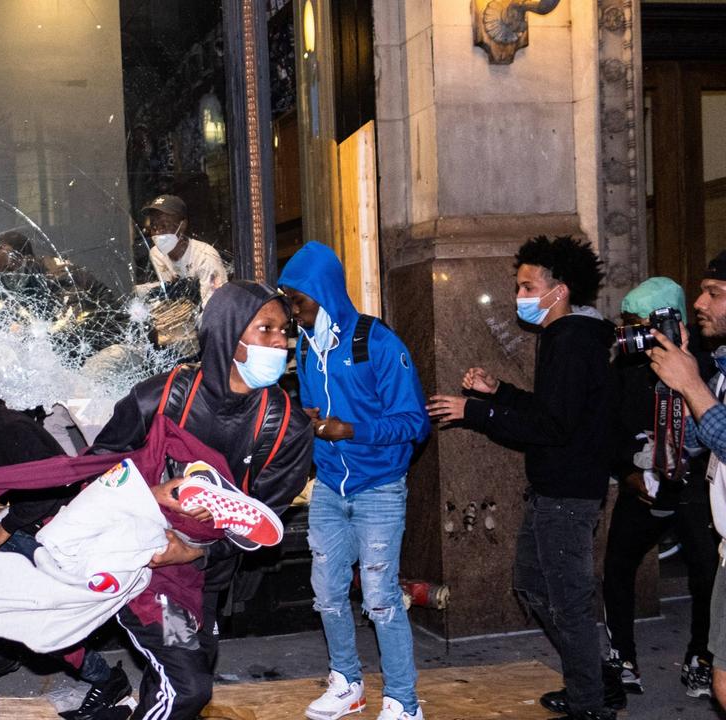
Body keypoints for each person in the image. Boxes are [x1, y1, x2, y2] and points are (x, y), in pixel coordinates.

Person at [86, 280, 314, 720]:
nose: (280, 342)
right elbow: (97, 467)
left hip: (208, 576)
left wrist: (195, 550)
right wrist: (148, 494)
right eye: (265, 329)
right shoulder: (161, 397)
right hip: (145, 569)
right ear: (228, 332)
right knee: (188, 685)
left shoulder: (287, 427)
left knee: (184, 670)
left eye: (284, 331)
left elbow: (262, 521)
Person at [428, 236, 621, 720]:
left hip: (568, 494)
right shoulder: (562, 338)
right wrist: (501, 393)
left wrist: (475, 411)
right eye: (518, 286)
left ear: (560, 290)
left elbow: (553, 428)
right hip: (554, 490)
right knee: (532, 584)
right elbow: (552, 411)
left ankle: (590, 704)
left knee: (568, 601)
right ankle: (595, 681)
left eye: (528, 286)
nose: (521, 295)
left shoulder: (574, 341)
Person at [277, 242, 431, 720]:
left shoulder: (378, 343)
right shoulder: (306, 346)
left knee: (382, 598)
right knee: (326, 594)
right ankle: (347, 682)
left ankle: (405, 701)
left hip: (379, 488)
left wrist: (352, 430)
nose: (292, 311)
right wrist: (309, 421)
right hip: (329, 486)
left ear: (322, 293)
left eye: (298, 300)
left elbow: (415, 423)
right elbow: (317, 408)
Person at [0, 376, 129, 718]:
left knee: (46, 622)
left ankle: (107, 680)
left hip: (60, 535)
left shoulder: (12, 433)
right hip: (35, 526)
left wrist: (6, 527)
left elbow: (54, 486)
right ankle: (3, 654)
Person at [601, 277, 718, 699]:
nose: (634, 333)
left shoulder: (704, 363)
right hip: (642, 482)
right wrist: (628, 472)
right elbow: (608, 427)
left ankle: (702, 657)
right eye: (628, 323)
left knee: (708, 570)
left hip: (694, 486)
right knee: (617, 565)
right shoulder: (626, 365)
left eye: (641, 324)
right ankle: (623, 658)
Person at [642, 250, 726, 710]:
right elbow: (696, 442)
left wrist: (692, 384)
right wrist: (676, 378)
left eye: (715, 294)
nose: (698, 302)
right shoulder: (722, 368)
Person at [140, 195, 228, 306]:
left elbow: (217, 307)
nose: (158, 232)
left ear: (182, 225)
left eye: (164, 225)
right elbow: (170, 294)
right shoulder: (156, 254)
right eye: (154, 227)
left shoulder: (205, 256)